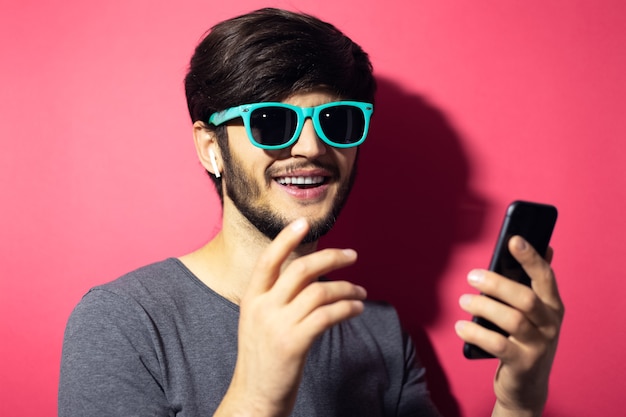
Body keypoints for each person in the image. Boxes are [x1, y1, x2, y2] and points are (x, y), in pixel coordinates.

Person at [58, 7, 564, 417]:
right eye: (271, 121)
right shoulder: (123, 323)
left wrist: (518, 402)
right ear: (211, 148)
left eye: (337, 120)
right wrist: (256, 396)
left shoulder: (380, 330)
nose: (312, 146)